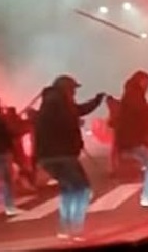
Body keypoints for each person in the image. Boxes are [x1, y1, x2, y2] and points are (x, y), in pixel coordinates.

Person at [34, 75, 105, 241]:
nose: (74, 93)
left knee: (69, 190)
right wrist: (74, 122)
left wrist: (95, 101)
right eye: (73, 89)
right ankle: (76, 230)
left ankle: (64, 229)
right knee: (83, 189)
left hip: (49, 156)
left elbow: (76, 111)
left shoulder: (53, 102)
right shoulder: (57, 103)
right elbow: (65, 120)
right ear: (66, 89)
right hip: (62, 154)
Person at [114, 70, 148, 211]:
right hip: (131, 138)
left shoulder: (132, 94)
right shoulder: (134, 95)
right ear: (140, 81)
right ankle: (147, 196)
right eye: (147, 82)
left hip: (131, 138)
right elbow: (140, 112)